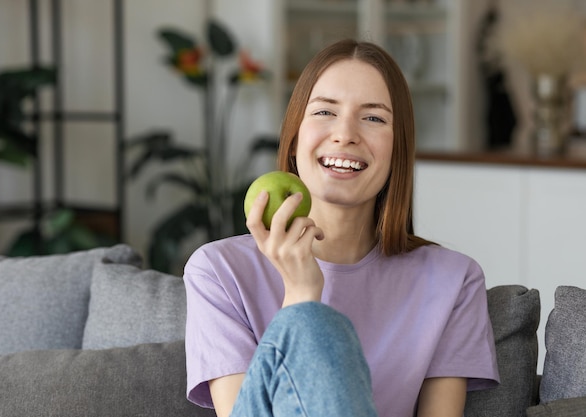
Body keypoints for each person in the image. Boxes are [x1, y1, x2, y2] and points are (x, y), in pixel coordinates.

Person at [183, 39, 500, 417]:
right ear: (295, 136)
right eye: (324, 112)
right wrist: (302, 294)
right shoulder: (218, 271)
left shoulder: (453, 281)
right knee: (320, 328)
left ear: (399, 146)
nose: (345, 133)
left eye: (373, 118)